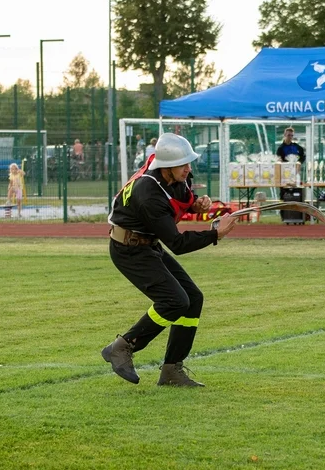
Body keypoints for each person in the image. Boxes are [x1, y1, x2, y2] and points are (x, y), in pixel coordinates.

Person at [102, 132, 238, 387]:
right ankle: (122, 346)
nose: (189, 169)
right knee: (174, 301)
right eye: (183, 164)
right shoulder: (148, 193)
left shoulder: (171, 175)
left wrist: (197, 205)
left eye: (189, 163)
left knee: (193, 298)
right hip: (128, 249)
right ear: (166, 167)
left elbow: (182, 199)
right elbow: (176, 243)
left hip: (147, 244)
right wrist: (215, 234)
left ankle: (171, 370)